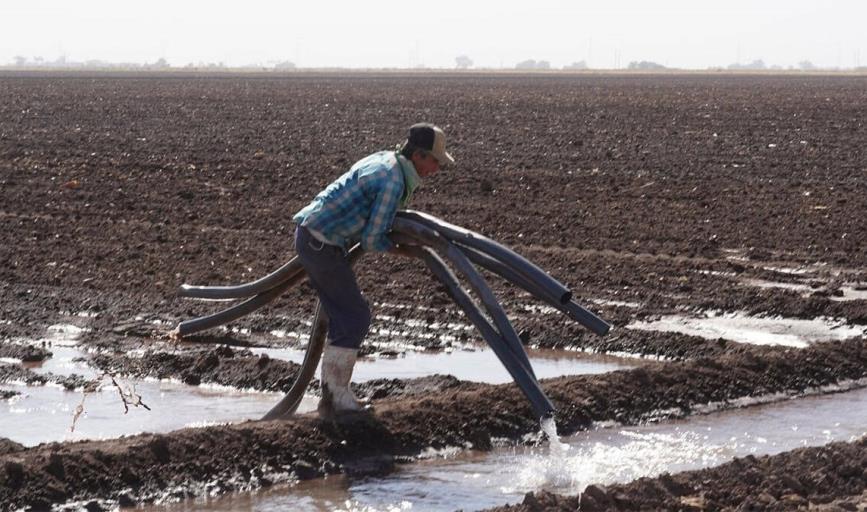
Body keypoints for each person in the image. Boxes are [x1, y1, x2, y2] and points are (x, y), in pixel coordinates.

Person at [292, 123, 454, 417]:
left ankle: (332, 396)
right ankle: (335, 398)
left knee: (347, 316)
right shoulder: (392, 181)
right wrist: (409, 251)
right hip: (321, 243)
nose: (437, 168)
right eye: (435, 161)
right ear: (418, 156)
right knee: (354, 317)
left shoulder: (386, 161)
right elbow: (371, 238)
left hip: (318, 236)